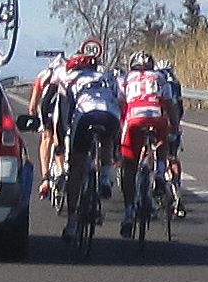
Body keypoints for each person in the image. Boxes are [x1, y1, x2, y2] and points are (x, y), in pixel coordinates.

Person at [58, 52, 123, 241]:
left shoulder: (69, 79)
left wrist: (62, 142)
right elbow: (120, 100)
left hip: (85, 116)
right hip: (110, 115)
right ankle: (105, 178)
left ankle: (71, 221)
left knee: (76, 167)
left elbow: (64, 114)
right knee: (107, 139)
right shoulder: (108, 76)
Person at [119, 50, 180, 237]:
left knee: (129, 166)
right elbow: (170, 105)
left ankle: (129, 212)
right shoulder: (160, 77)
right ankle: (160, 173)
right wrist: (174, 128)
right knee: (163, 140)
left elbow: (121, 106)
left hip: (134, 120)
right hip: (156, 117)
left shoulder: (125, 79)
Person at [29, 54, 64, 199]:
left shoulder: (43, 75)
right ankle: (61, 168)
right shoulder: (68, 74)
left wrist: (33, 119)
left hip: (47, 105)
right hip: (64, 105)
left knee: (46, 138)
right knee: (60, 135)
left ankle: (45, 179)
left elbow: (32, 106)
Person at [155, 58, 186, 218]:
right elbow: (179, 108)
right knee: (172, 157)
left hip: (155, 122)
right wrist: (176, 125)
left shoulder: (155, 81)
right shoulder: (175, 83)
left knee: (149, 153)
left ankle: (150, 189)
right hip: (172, 124)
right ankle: (177, 191)